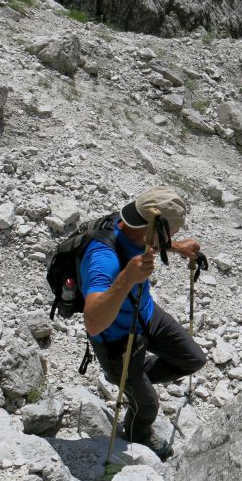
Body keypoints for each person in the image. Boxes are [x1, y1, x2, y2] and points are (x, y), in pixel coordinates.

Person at [80, 187, 206, 459]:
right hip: (115, 337)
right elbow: (92, 322)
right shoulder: (103, 257)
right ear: (155, 228)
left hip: (145, 313)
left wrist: (177, 246)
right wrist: (127, 277)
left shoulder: (133, 223)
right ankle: (136, 430)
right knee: (148, 407)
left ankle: (133, 378)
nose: (170, 239)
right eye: (168, 234)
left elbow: (144, 236)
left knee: (193, 359)